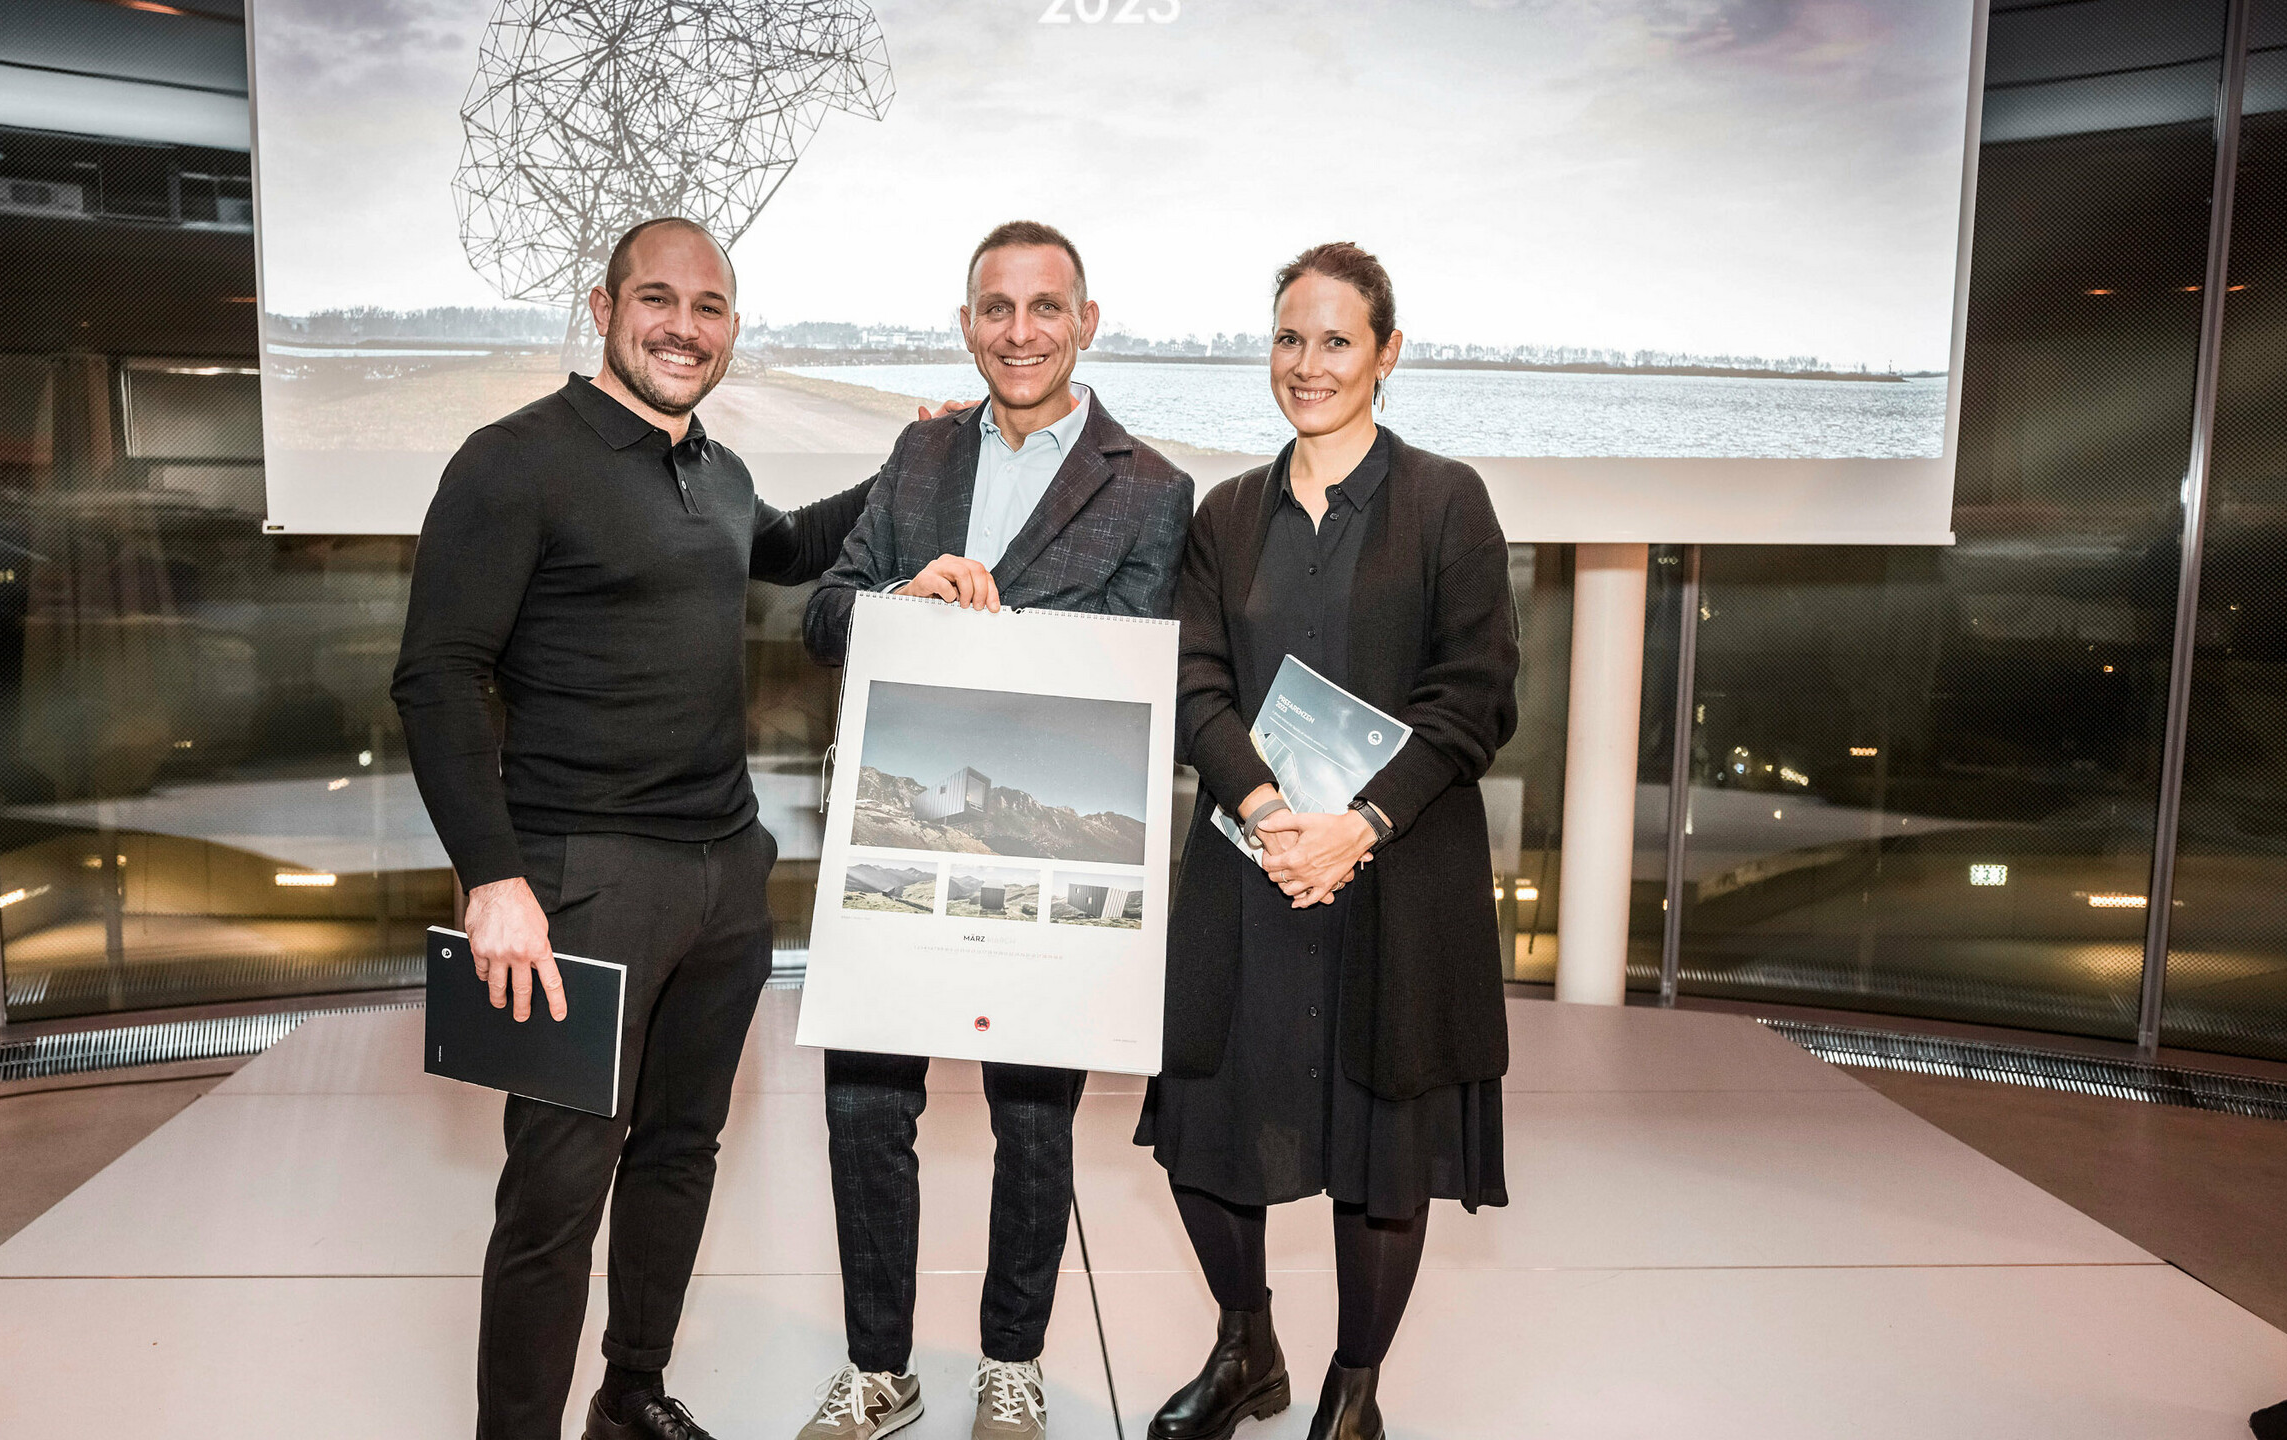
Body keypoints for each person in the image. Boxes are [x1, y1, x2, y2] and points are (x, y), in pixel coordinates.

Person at [390, 216, 873, 1440]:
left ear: (732, 330)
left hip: (723, 875)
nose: (683, 326)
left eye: (709, 308)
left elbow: (782, 550)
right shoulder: (513, 462)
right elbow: (438, 676)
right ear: (599, 307)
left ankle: (632, 1395)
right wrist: (493, 877)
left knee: (680, 1155)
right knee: (554, 1197)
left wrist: (920, 465)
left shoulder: (716, 471)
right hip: (580, 883)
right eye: (657, 299)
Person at [793, 220, 1194, 1440]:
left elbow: (1144, 679)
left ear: (1086, 322)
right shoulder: (915, 459)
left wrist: (998, 636)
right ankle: (878, 1368)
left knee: (1035, 1121)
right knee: (865, 1105)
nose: (1019, 331)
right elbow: (820, 616)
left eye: (1044, 308)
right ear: (966, 322)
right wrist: (895, 604)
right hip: (898, 843)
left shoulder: (1153, 489)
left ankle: (1010, 1366)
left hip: (1048, 866)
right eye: (995, 308)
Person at [1134, 242, 1520, 1440]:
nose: (1308, 364)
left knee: (1380, 1142)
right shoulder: (1226, 514)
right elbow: (1197, 686)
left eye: (1337, 340)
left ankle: (1354, 1393)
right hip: (1249, 869)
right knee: (1202, 1131)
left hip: (1396, 873)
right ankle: (1246, 1345)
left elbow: (1476, 695)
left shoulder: (1448, 501)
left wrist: (1356, 827)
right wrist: (1264, 813)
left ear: (1386, 355)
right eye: (1289, 338)